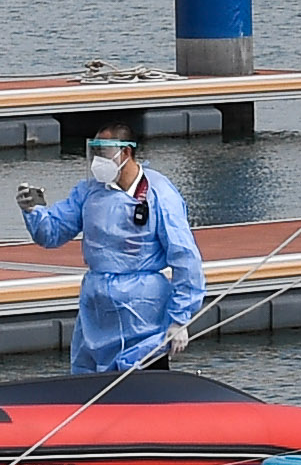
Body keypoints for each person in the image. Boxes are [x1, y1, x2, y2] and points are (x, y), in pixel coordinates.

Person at [20, 129, 208, 375]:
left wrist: (180, 319)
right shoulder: (90, 192)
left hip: (143, 313)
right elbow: (53, 233)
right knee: (89, 378)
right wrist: (33, 211)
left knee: (145, 378)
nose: (98, 159)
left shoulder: (160, 194)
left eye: (104, 152)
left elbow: (185, 258)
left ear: (125, 152)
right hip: (97, 309)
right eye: (95, 151)